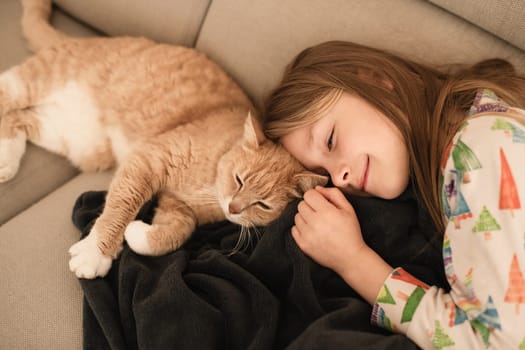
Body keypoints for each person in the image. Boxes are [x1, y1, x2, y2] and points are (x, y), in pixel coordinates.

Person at [263, 40, 525, 349]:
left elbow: (501, 343)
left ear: (375, 80)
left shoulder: (482, 151)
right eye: (324, 174)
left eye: (331, 141)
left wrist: (355, 262)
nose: (338, 177)